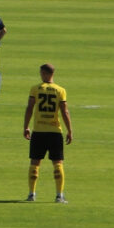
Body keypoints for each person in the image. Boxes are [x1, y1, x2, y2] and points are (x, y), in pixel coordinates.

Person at [23, 63, 73, 203]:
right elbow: (65, 111)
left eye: (41, 73)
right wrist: (69, 130)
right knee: (58, 163)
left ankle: (31, 194)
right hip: (55, 132)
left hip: (38, 131)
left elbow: (29, 108)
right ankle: (59, 195)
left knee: (35, 162)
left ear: (45, 74)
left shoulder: (35, 89)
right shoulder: (60, 90)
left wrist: (26, 126)